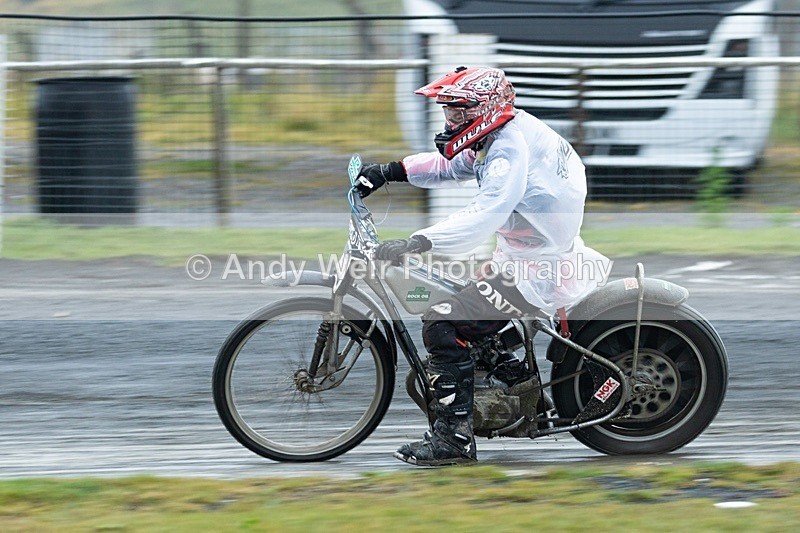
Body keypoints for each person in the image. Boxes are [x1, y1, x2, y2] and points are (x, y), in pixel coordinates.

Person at [356, 66, 610, 466]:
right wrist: (390, 171)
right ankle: (515, 380)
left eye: (459, 111)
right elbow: (453, 166)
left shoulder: (507, 150)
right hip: (528, 254)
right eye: (448, 111)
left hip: (535, 267)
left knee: (441, 322)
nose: (450, 120)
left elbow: (485, 213)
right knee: (462, 303)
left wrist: (419, 242)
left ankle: (454, 441)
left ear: (486, 108)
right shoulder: (499, 135)